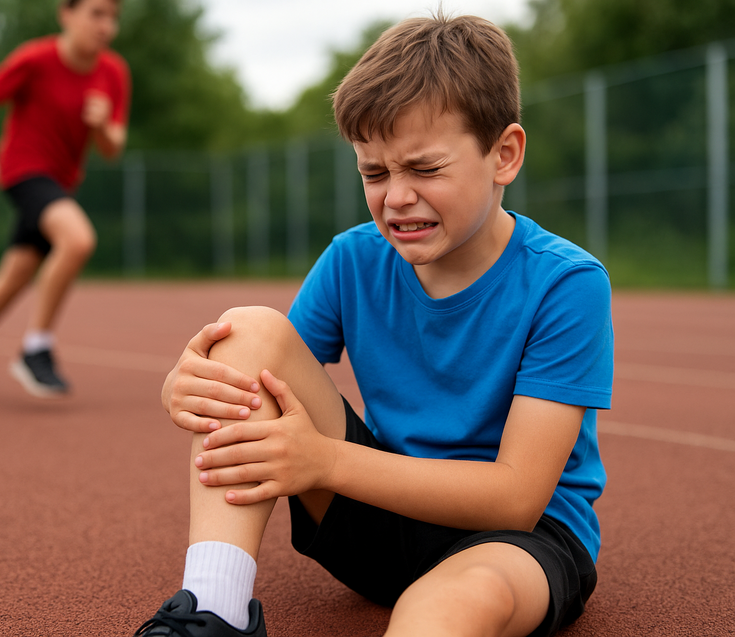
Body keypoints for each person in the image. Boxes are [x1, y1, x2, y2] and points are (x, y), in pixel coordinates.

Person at [133, 14, 613, 637]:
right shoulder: (353, 257)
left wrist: (323, 463)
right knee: (244, 332)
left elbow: (515, 498)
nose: (397, 197)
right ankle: (213, 609)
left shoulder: (565, 282)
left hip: (517, 541)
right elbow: (265, 375)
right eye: (375, 173)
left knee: (444, 610)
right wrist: (184, 387)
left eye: (425, 169)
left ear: (504, 154)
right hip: (381, 513)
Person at [0, 0, 130, 399]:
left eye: (113, 17)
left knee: (18, 272)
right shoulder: (37, 59)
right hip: (23, 171)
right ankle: (35, 347)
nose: (106, 25)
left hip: (61, 183)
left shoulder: (114, 72)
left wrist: (102, 127)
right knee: (77, 240)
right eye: (97, 13)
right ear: (67, 14)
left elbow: (113, 148)